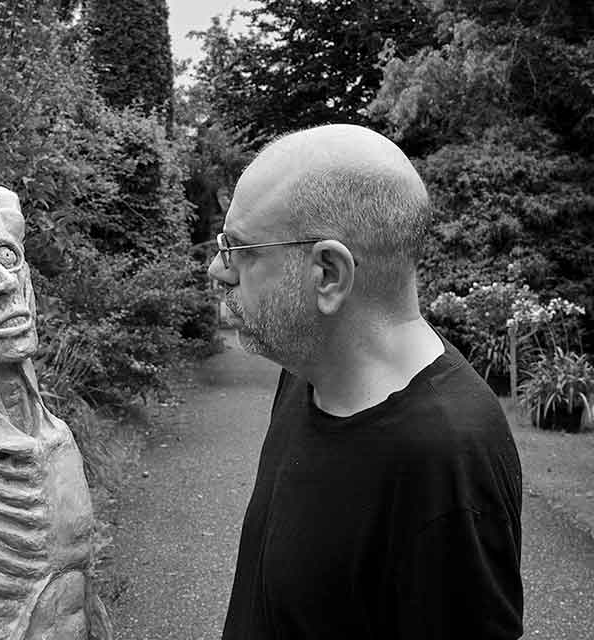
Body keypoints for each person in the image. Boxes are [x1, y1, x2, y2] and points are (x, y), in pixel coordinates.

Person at [208, 124, 523, 639]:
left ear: (328, 274)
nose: (218, 271)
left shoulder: (447, 462)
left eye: (241, 249)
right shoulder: (309, 370)